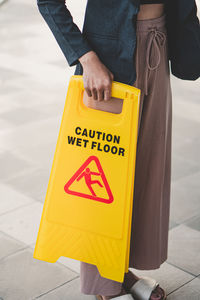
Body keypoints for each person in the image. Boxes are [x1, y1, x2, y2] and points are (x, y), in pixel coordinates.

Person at [36, 0, 200, 299]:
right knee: (103, 181)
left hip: (159, 43)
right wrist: (86, 58)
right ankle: (104, 287)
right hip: (107, 62)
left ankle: (118, 271)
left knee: (146, 172)